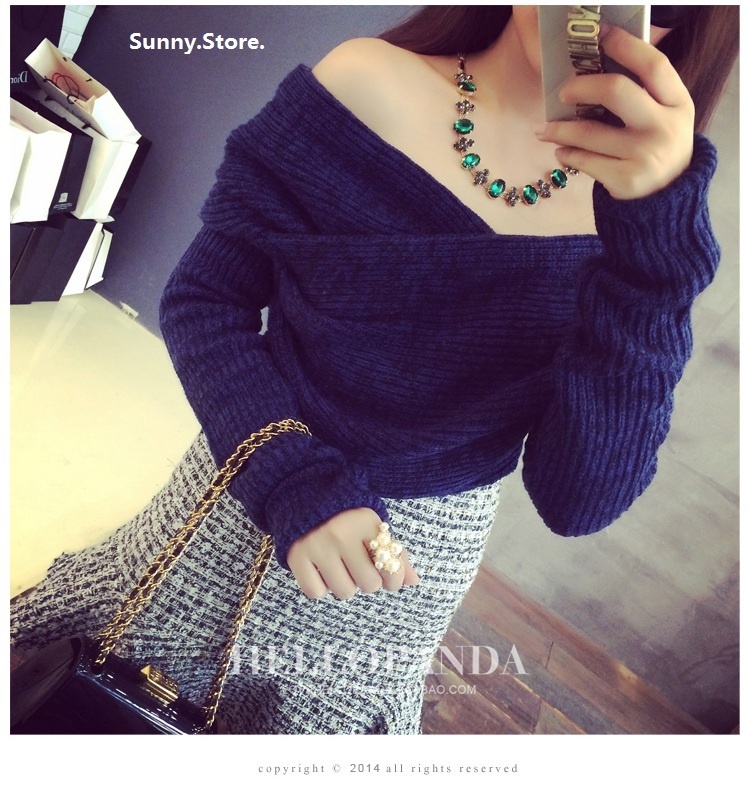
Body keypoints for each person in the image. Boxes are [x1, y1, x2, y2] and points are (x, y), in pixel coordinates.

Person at [11, 6, 738, 734]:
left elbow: (577, 500)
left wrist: (654, 266)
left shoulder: (641, 225)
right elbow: (205, 300)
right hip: (229, 514)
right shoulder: (364, 82)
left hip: (393, 595)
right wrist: (292, 479)